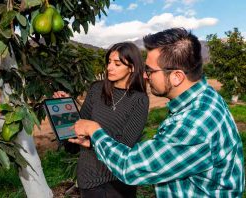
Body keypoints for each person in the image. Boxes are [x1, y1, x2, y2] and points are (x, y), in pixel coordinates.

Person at [69, 28, 245, 197]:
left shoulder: (193, 125)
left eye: (150, 71)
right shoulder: (206, 96)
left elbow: (130, 167)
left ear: (177, 76)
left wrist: (94, 130)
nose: (145, 76)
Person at [53, 42, 149, 198]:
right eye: (109, 62)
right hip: (89, 177)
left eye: (117, 64)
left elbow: (126, 145)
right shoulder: (97, 89)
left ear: (132, 67)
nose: (109, 67)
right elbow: (79, 128)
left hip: (119, 181)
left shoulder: (139, 100)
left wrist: (91, 141)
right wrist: (65, 109)